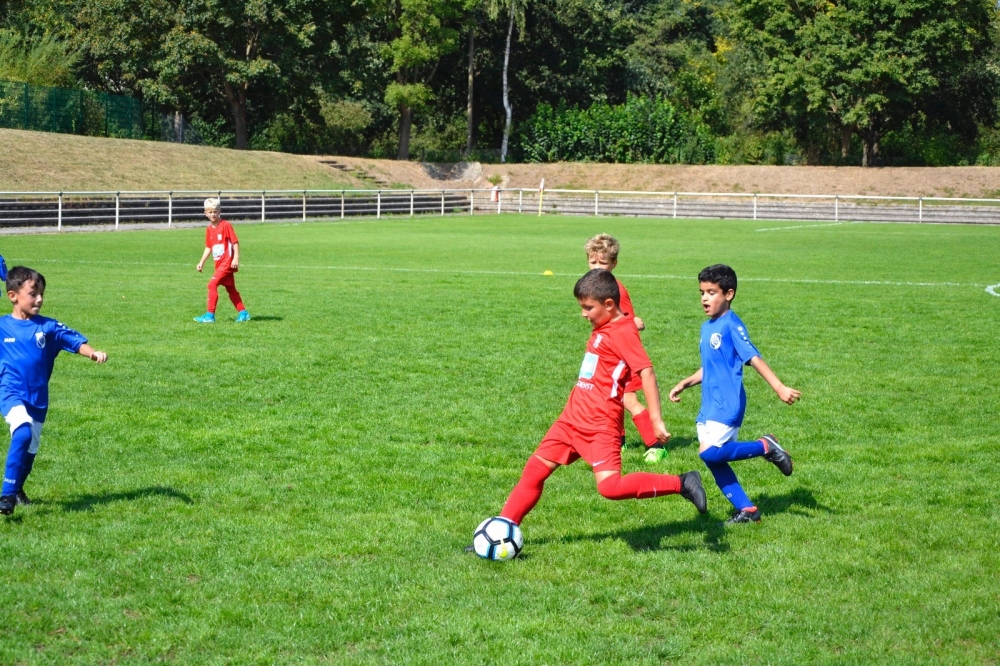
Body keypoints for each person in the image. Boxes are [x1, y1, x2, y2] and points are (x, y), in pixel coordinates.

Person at [472, 269, 706, 546]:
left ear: (608, 304)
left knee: (610, 487)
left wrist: (656, 420)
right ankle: (501, 532)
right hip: (571, 418)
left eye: (588, 307)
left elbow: (646, 372)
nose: (583, 314)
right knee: (534, 471)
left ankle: (683, 483)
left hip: (600, 423)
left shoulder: (621, 332)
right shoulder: (607, 324)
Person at [668, 264, 800, 524]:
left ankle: (765, 446)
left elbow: (753, 357)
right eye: (702, 292)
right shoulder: (707, 327)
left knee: (708, 452)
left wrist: (779, 387)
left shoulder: (731, 324)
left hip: (727, 402)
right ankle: (747, 509)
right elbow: (711, 366)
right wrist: (687, 382)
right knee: (714, 460)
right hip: (709, 403)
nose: (705, 298)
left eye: (711, 292)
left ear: (729, 294)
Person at [0, 266, 108, 516]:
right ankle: (6, 496)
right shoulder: (2, 326)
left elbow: (74, 340)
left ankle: (17, 487)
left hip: (38, 398)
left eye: (42, 294)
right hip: (10, 392)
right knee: (23, 433)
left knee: (30, 450)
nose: (39, 299)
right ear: (13, 296)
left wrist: (92, 352)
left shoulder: (47, 327)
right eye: (33, 294)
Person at [584, 234, 665, 464]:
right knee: (611, 398)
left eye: (602, 263)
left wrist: (634, 321)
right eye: (592, 262)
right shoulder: (594, 287)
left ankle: (656, 444)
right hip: (605, 355)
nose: (597, 267)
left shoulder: (615, 289)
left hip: (621, 357)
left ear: (614, 264)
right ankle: (618, 440)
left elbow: (626, 321)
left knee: (628, 399)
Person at [195, 198, 250, 323]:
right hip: (219, 264)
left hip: (227, 263)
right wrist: (201, 262)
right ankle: (243, 313)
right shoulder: (209, 229)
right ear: (205, 213)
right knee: (231, 289)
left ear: (219, 211)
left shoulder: (226, 225)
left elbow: (235, 242)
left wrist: (235, 258)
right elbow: (209, 247)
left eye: (215, 211)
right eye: (210, 212)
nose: (213, 214)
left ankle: (209, 316)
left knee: (212, 284)